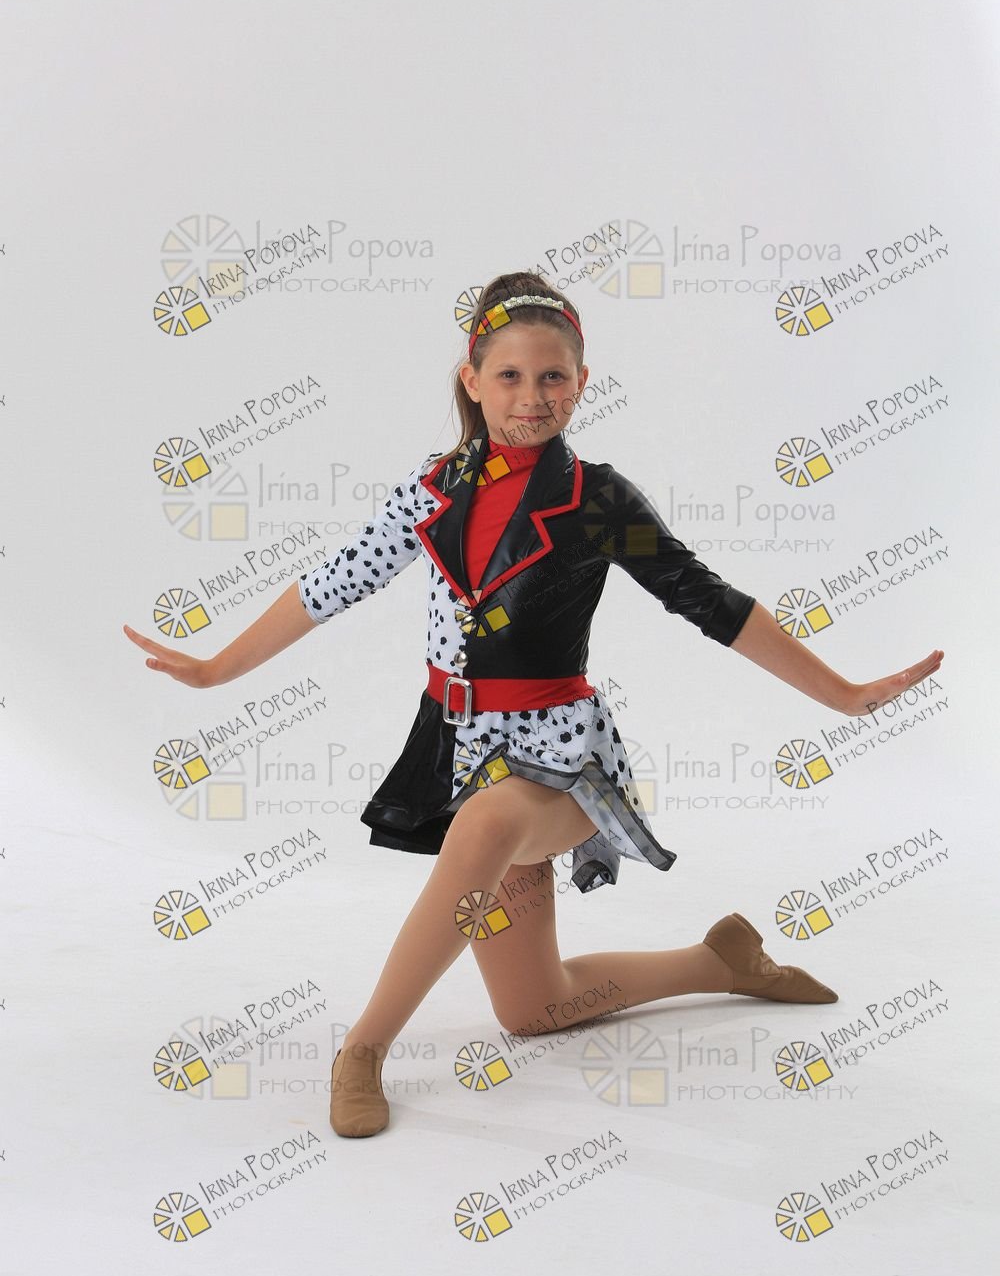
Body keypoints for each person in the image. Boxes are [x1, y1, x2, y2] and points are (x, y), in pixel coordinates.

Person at [123, 270, 944, 1140]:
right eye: (509, 376)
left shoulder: (596, 500)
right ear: (472, 381)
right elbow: (334, 583)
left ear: (582, 382)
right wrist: (216, 670)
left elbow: (711, 603)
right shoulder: (432, 490)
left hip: (559, 757)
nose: (532, 396)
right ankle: (721, 961)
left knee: (486, 825)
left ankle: (362, 1049)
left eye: (553, 376)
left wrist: (844, 694)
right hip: (454, 748)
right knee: (533, 1009)